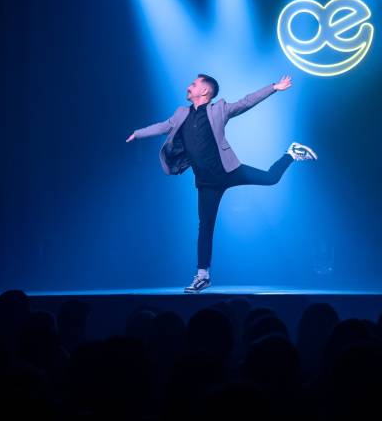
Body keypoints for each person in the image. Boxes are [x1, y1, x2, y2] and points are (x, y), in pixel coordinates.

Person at [126, 74, 317, 293]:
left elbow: (246, 102)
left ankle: (291, 153)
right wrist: (138, 134)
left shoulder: (219, 109)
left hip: (229, 171)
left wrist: (274, 87)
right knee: (205, 227)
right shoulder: (181, 113)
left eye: (194, 84)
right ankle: (202, 276)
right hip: (206, 182)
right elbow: (163, 126)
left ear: (205, 92)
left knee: (271, 178)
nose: (189, 86)